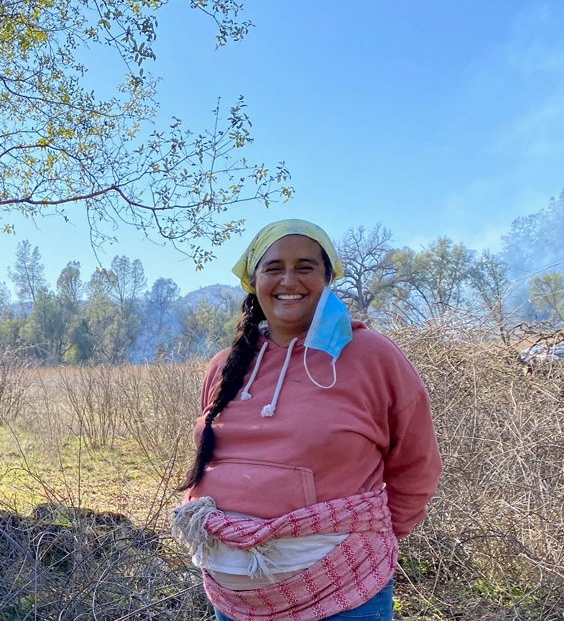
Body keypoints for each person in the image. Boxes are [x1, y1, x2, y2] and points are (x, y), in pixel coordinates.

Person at [172, 219, 443, 621]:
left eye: (304, 266)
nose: (288, 280)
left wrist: (365, 540)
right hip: (234, 604)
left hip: (346, 593)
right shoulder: (224, 366)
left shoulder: (373, 357)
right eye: (274, 267)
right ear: (253, 280)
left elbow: (417, 465)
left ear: (327, 277)